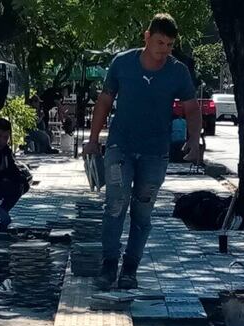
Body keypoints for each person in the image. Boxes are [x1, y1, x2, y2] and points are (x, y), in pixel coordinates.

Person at [83, 13, 202, 290]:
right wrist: (92, 139)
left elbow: (192, 107)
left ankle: (130, 268)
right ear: (147, 38)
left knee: (142, 212)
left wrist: (194, 139)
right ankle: (108, 264)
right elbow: (104, 101)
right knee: (115, 205)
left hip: (155, 152)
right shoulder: (122, 63)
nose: (165, 50)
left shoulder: (177, 71)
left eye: (170, 45)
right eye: (160, 43)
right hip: (120, 146)